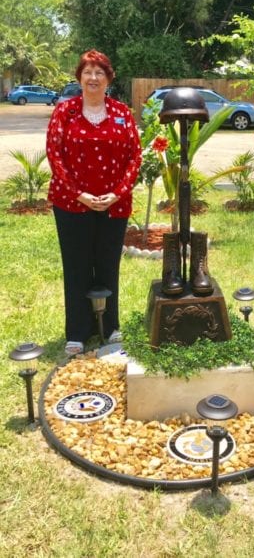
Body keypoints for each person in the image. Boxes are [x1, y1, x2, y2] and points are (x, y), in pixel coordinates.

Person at [46, 50, 142, 356]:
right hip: (72, 203)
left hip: (113, 205)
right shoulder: (65, 112)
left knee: (107, 264)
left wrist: (118, 192)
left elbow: (134, 157)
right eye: (87, 72)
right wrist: (79, 194)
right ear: (79, 78)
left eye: (99, 72)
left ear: (108, 78)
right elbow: (54, 153)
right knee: (76, 266)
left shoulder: (121, 113)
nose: (93, 78)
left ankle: (110, 327)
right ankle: (77, 330)